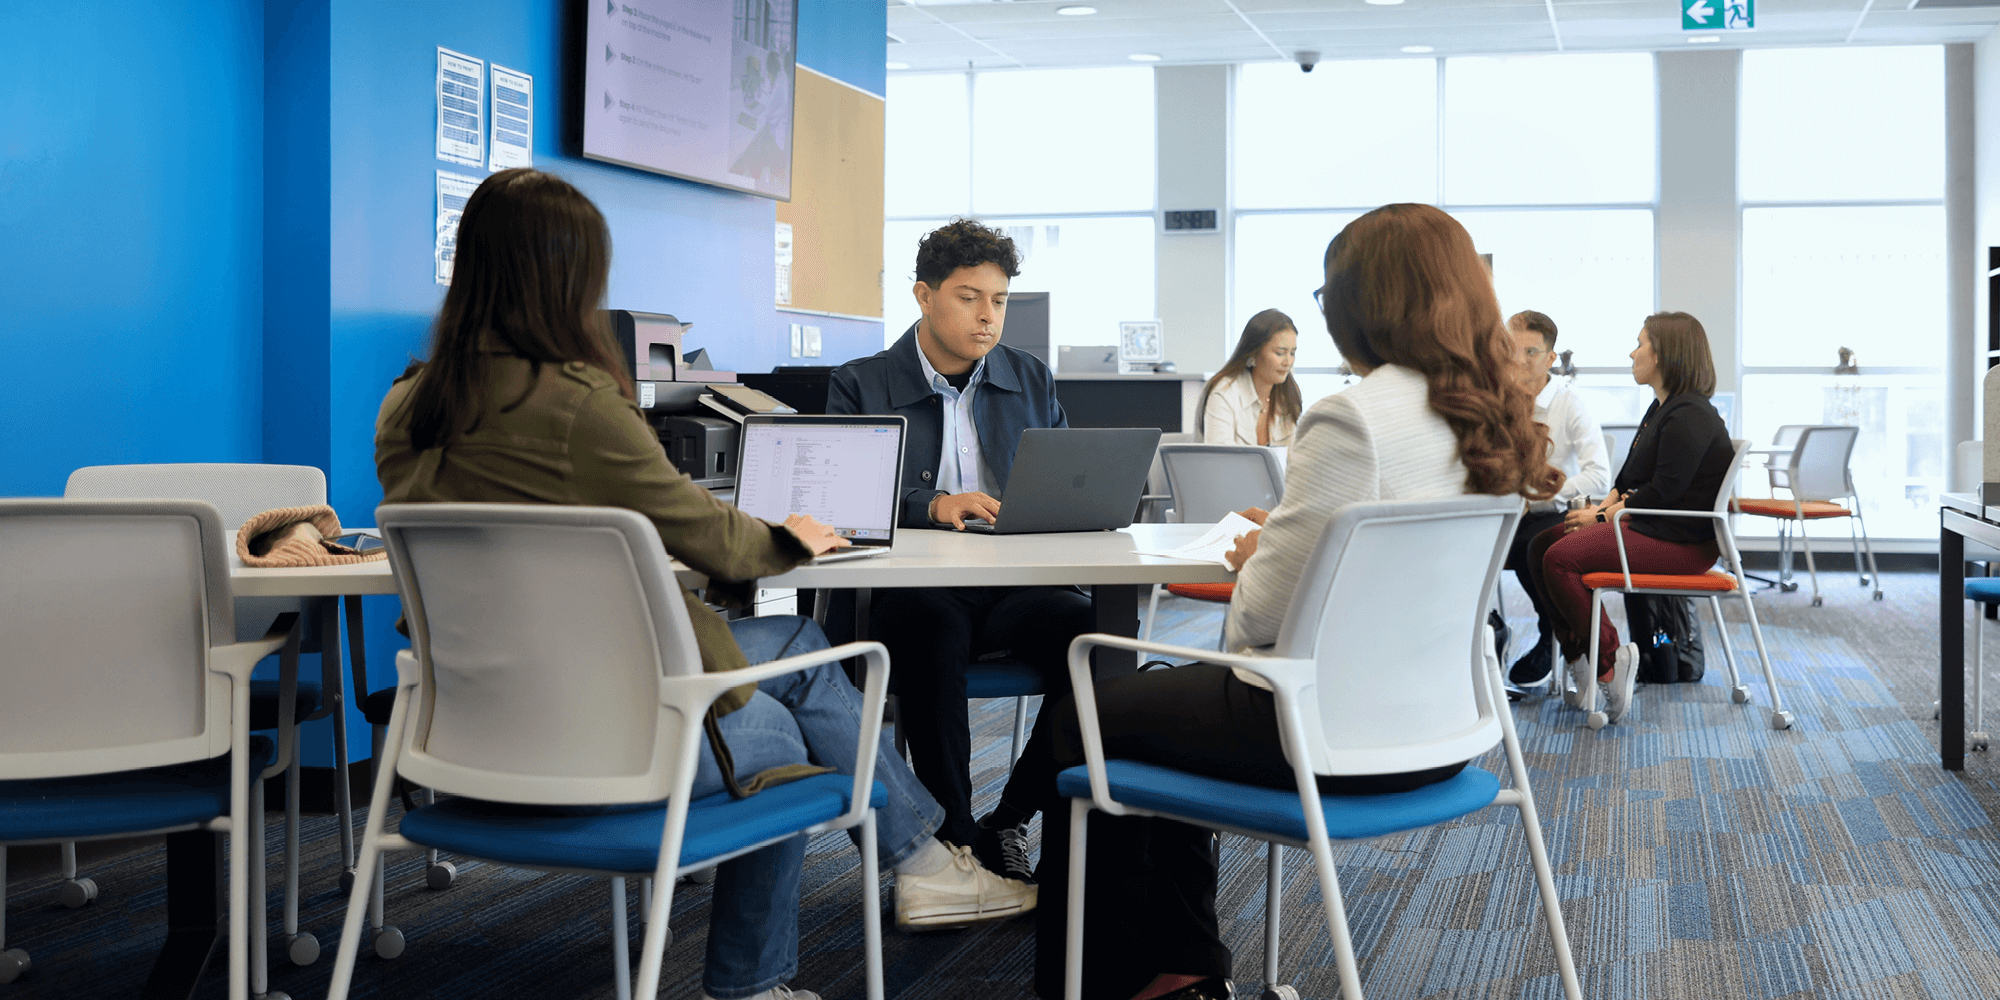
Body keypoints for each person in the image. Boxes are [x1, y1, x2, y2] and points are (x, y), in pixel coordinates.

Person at [372, 170, 1032, 1000]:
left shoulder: (404, 405)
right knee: (794, 740)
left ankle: (928, 860)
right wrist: (791, 539)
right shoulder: (581, 405)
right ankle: (777, 968)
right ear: (574, 280)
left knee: (799, 643)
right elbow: (713, 539)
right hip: (607, 731)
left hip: (459, 730)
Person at [1027, 203, 1563, 1000]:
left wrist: (1255, 558)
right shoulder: (1491, 413)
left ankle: (1111, 979)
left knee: (1091, 706)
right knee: (1160, 709)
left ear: (1363, 304)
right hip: (1449, 729)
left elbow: (1259, 624)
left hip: (1324, 734)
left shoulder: (1355, 414)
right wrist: (1293, 535)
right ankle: (1179, 962)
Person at [825, 219, 1093, 885]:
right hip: (912, 592)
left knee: (1097, 637)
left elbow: (1061, 481)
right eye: (969, 297)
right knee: (929, 628)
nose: (987, 316)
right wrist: (930, 505)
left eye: (999, 301)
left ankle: (1010, 818)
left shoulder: (1030, 378)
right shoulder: (860, 383)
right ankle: (952, 836)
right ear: (924, 295)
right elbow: (837, 501)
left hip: (1011, 589)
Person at [1523, 311, 1735, 724]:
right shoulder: (1662, 409)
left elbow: (1663, 492)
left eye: (1640, 344)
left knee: (1560, 558)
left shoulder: (1691, 413)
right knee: (1540, 547)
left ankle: (1609, 663)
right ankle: (1581, 663)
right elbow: (1628, 481)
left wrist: (1602, 521)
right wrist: (1600, 510)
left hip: (1683, 545)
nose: (1632, 352)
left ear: (1665, 354)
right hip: (1650, 528)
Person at [1499, 310, 1610, 690]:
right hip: (1508, 513)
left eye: (1530, 352)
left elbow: (1599, 474)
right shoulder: (1499, 401)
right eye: (1512, 351)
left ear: (1550, 358)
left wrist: (1541, 493)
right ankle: (1490, 639)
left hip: (1555, 514)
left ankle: (1552, 637)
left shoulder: (1568, 404)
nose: (1519, 361)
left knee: (1537, 548)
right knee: (1473, 546)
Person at [1197, 308, 1301, 447]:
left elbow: (1294, 456)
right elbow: (1220, 462)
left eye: (1292, 353)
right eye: (1280, 353)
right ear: (1254, 353)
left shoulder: (1288, 394)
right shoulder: (1224, 393)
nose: (1288, 362)